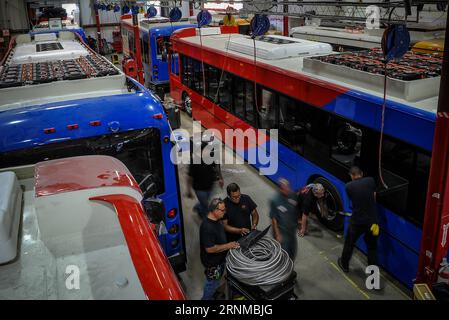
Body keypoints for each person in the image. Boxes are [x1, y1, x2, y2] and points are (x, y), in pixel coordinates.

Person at [338, 166, 379, 273]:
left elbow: (353, 201)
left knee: (349, 244)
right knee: (372, 248)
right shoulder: (371, 180)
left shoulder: (348, 186)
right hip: (372, 222)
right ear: (362, 173)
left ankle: (344, 264)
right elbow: (374, 198)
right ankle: (373, 275)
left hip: (357, 222)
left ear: (351, 175)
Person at [200, 198, 240, 300]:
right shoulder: (207, 227)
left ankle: (217, 293)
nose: (224, 212)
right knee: (211, 284)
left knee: (218, 281)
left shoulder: (217, 220)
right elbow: (209, 249)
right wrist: (228, 245)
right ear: (214, 210)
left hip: (220, 260)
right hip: (213, 264)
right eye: (222, 210)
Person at [186, 140, 224, 218]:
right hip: (200, 189)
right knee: (206, 206)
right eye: (205, 150)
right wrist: (188, 190)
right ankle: (205, 218)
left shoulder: (211, 156)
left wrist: (220, 178)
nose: (208, 152)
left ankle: (198, 207)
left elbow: (216, 167)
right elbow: (190, 177)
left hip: (210, 185)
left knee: (205, 201)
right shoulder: (194, 161)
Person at [269, 178, 299, 261]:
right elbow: (274, 218)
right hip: (282, 232)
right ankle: (284, 271)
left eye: (288, 187)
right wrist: (278, 234)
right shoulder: (275, 200)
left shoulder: (292, 195)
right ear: (280, 189)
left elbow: (296, 209)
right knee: (284, 254)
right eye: (285, 189)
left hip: (291, 230)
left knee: (293, 250)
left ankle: (290, 267)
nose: (287, 190)